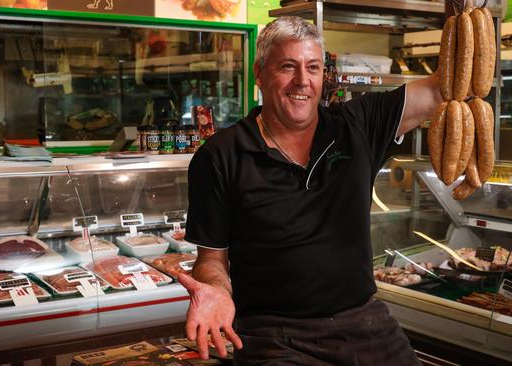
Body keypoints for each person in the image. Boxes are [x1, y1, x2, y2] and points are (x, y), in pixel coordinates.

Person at [178, 16, 441, 365]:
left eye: (313, 67)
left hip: (365, 323)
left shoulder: (357, 125)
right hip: (273, 333)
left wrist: (466, 11)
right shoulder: (220, 155)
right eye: (288, 66)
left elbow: (444, 88)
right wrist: (215, 291)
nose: (302, 81)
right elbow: (212, 260)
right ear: (260, 74)